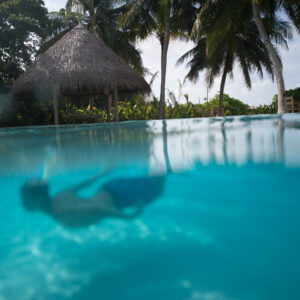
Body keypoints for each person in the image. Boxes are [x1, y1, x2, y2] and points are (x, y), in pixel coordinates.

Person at [21, 171, 165, 228]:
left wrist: (130, 216)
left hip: (121, 197)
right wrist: (102, 173)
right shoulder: (60, 195)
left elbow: (99, 208)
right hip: (110, 187)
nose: (24, 202)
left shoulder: (60, 212)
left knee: (158, 188)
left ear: (39, 198)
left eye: (26, 199)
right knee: (156, 176)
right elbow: (85, 182)